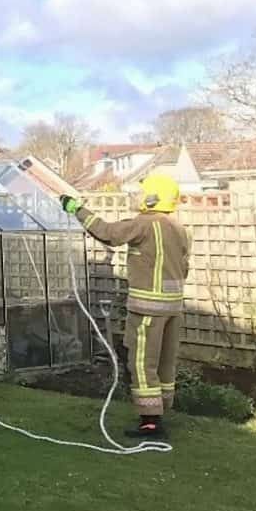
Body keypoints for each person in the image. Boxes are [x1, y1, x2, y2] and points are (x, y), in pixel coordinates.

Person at [60, 174, 190, 441]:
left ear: (152, 197)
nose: (138, 196)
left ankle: (150, 424)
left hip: (147, 310)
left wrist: (77, 209)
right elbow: (184, 268)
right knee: (165, 363)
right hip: (173, 308)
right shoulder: (180, 229)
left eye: (142, 192)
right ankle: (160, 413)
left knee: (142, 363)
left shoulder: (145, 224)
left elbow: (109, 234)